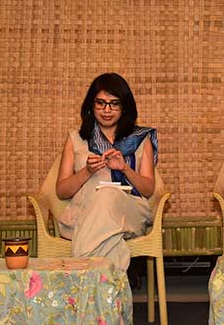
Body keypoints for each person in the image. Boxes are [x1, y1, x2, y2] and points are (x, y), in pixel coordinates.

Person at [55, 73, 158, 270]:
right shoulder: (75, 139)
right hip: (83, 213)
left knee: (107, 195)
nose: (107, 110)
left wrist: (125, 168)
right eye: (100, 103)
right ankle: (110, 297)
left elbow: (148, 189)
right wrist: (86, 171)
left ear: (124, 107)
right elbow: (62, 191)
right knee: (111, 245)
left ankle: (80, 268)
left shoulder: (140, 139)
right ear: (90, 106)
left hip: (129, 213)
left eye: (114, 103)